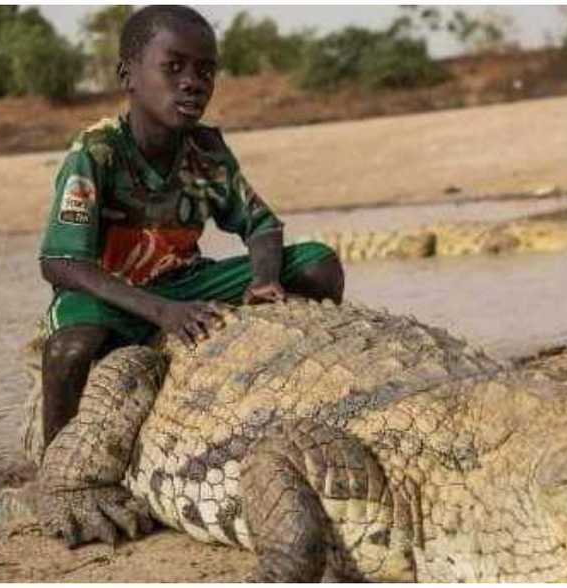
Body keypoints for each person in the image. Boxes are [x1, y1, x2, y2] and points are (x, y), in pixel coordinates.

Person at [37, 5, 344, 448]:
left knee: (319, 265)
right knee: (70, 350)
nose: (193, 83)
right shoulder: (96, 152)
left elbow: (260, 225)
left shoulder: (207, 150)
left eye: (206, 71)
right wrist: (162, 312)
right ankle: (55, 463)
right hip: (111, 293)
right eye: (174, 67)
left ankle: (281, 396)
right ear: (128, 75)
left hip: (186, 282)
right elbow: (61, 263)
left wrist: (264, 279)